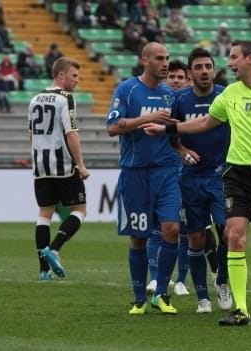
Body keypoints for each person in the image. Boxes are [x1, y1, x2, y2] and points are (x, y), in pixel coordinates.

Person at [143, 40, 251, 326]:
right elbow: (207, 122)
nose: (229, 63)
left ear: (249, 59)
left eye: (233, 58)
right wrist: (168, 128)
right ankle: (241, 310)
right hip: (236, 175)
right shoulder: (229, 94)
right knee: (234, 234)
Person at [106, 42, 181, 315]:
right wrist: (145, 119)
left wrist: (183, 149)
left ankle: (161, 293)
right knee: (138, 237)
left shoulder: (171, 96)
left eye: (168, 58)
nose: (165, 63)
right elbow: (113, 127)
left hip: (166, 171)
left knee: (172, 228)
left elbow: (176, 133)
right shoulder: (127, 90)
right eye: (160, 58)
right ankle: (139, 297)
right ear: (144, 61)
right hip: (135, 172)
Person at [170, 48, 232, 313]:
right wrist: (182, 151)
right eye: (199, 67)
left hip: (222, 177)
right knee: (195, 238)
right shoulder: (180, 100)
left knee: (228, 233)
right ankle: (203, 298)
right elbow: (171, 135)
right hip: (191, 179)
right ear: (190, 71)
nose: (204, 71)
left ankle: (222, 281)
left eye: (208, 66)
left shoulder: (226, 95)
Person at [28, 57, 90, 281]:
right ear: (61, 75)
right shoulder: (65, 99)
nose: (77, 81)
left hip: (40, 166)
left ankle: (43, 271)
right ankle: (54, 249)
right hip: (63, 164)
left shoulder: (34, 99)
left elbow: (31, 134)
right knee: (80, 211)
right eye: (74, 76)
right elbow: (71, 133)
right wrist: (80, 165)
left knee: (44, 214)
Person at [145, 58, 191, 297]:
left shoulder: (188, 104)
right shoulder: (159, 101)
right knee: (157, 227)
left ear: (187, 80)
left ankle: (182, 279)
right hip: (161, 170)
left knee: (182, 227)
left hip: (187, 171)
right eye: (171, 76)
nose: (175, 80)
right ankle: (155, 278)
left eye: (179, 77)